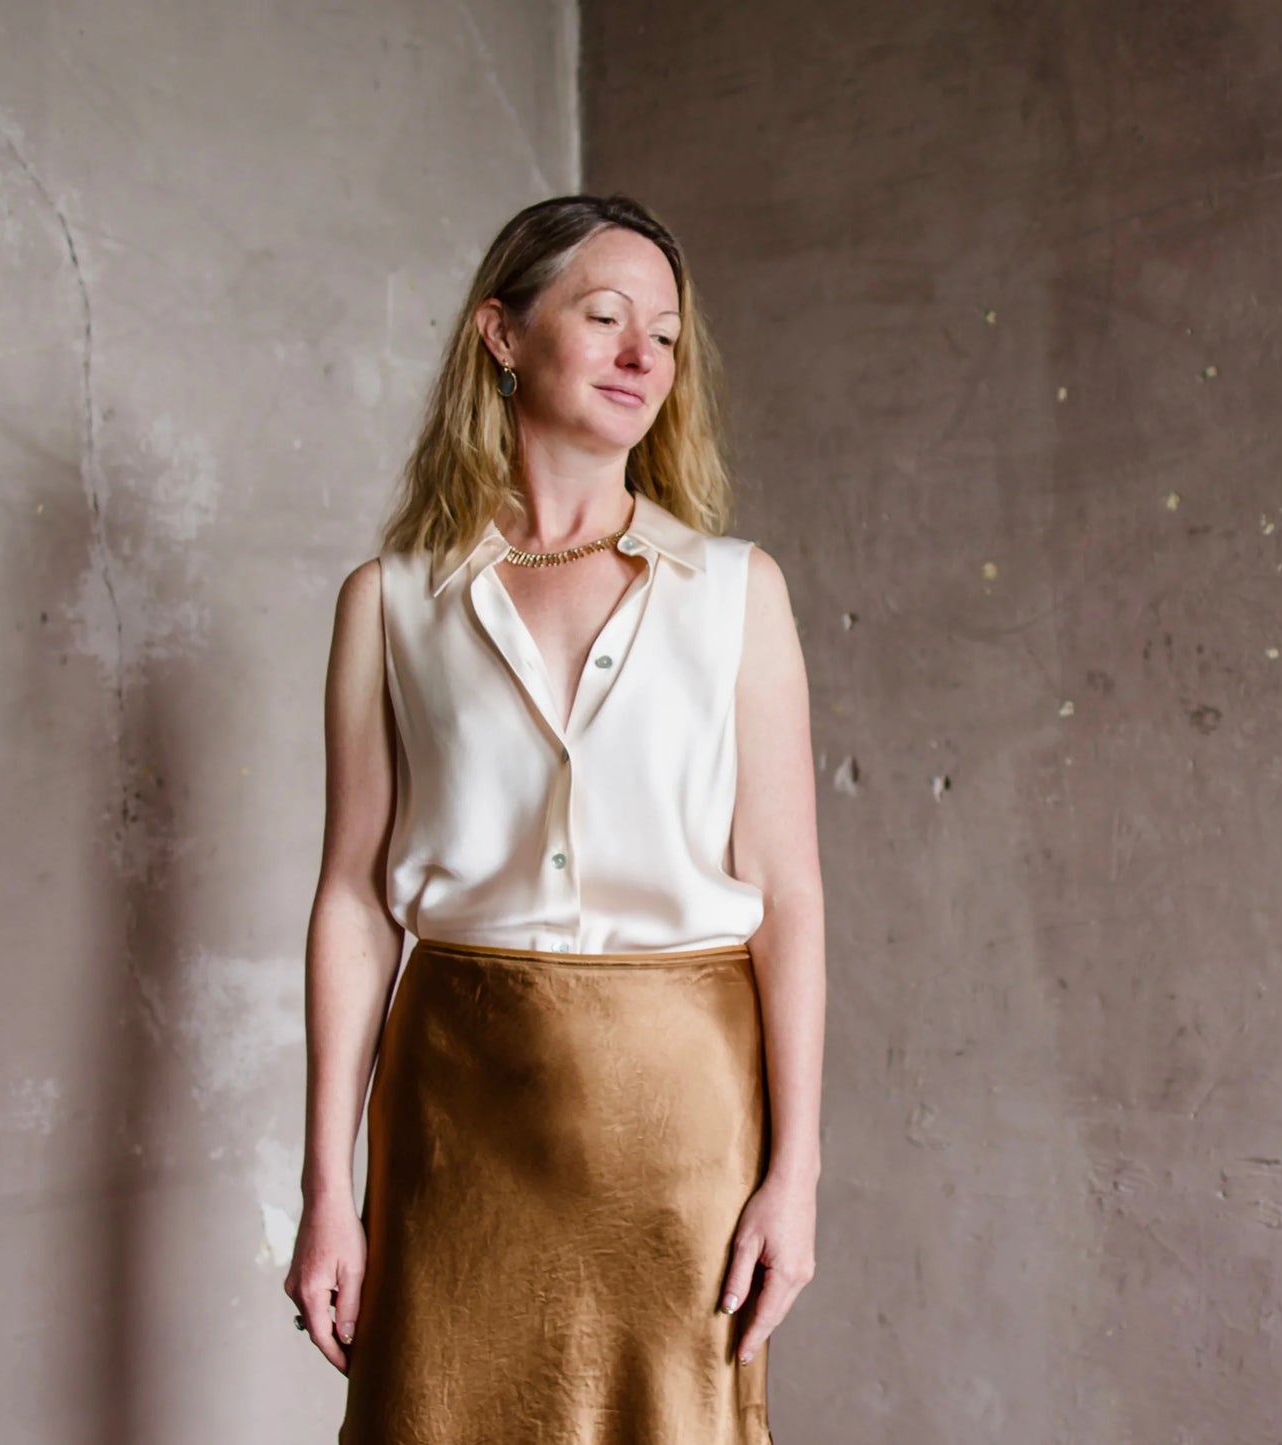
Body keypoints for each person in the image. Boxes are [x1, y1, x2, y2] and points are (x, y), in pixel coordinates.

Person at [283, 193, 825, 1444]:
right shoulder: (390, 601)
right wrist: (327, 1189)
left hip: (681, 1119)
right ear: (502, 335)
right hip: (452, 1113)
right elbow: (354, 904)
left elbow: (788, 896)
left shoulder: (736, 593)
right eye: (604, 317)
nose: (645, 355)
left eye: (668, 335)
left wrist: (793, 1174)